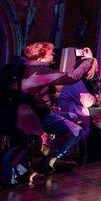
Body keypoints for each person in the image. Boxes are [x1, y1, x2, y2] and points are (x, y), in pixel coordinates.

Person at [21, 42, 91, 173]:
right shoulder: (41, 71)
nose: (53, 54)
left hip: (29, 113)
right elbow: (72, 77)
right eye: (50, 52)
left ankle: (48, 152)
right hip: (35, 116)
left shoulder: (23, 67)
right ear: (40, 56)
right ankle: (51, 157)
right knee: (76, 130)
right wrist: (88, 61)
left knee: (73, 117)